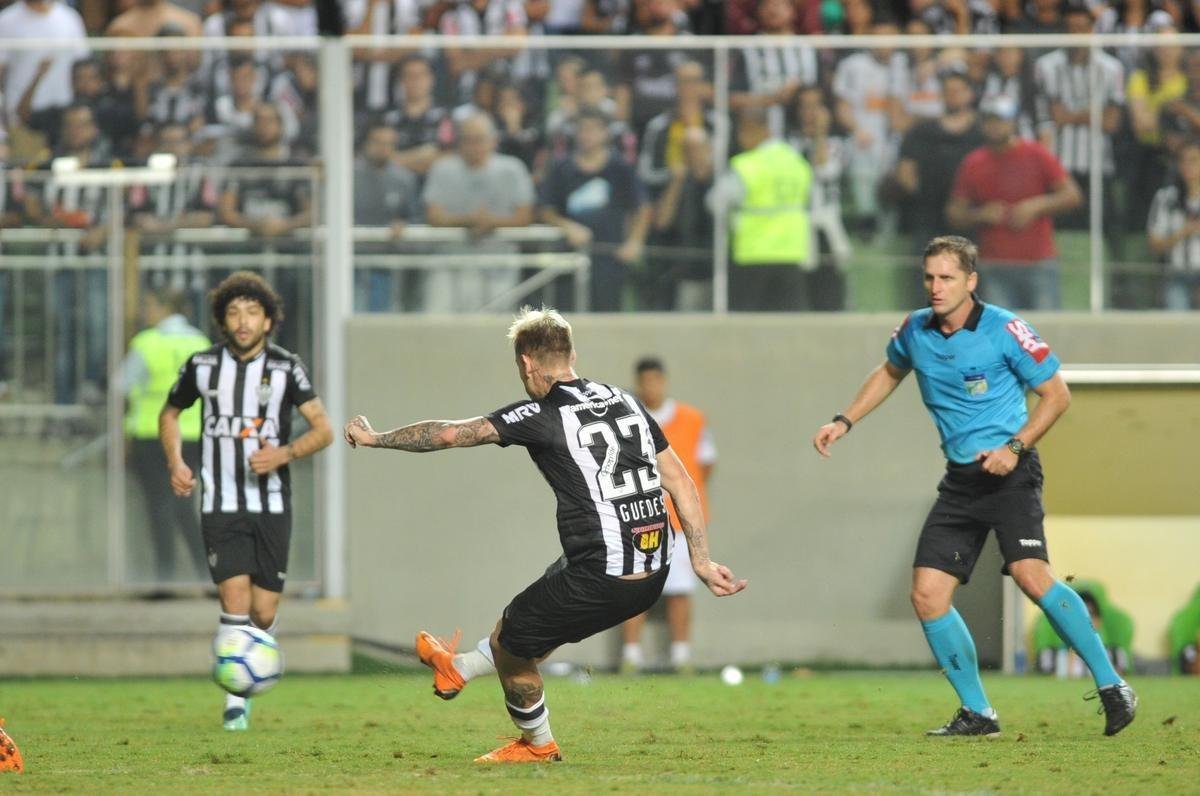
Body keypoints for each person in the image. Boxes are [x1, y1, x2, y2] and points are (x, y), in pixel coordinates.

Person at [342, 306, 746, 762]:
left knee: (512, 646)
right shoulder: (625, 400)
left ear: (526, 363)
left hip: (602, 574)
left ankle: (538, 744)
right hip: (654, 571)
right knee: (524, 630)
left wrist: (376, 438)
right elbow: (682, 483)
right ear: (572, 355)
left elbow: (451, 435)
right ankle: (457, 668)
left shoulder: (540, 411)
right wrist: (701, 560)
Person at [811, 235, 1137, 738]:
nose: (935, 287)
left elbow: (1057, 395)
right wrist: (844, 420)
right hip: (961, 482)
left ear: (971, 280)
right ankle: (979, 713)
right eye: (929, 277)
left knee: (1031, 576)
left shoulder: (1005, 329)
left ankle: (1113, 685)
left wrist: (1015, 448)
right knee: (927, 595)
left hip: (1011, 474)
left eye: (946, 277)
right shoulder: (915, 329)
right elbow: (890, 371)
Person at [160, 271, 333, 730]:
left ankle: (250, 668)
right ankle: (235, 701)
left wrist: (284, 453)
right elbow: (170, 413)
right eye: (234, 312)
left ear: (268, 321)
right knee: (235, 600)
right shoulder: (202, 365)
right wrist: (176, 461)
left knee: (264, 610)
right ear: (223, 320)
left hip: (273, 503)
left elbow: (324, 430)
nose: (243, 321)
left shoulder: (286, 367)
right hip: (220, 502)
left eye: (252, 312)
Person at [620, 357, 716, 674]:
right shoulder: (626, 418)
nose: (651, 387)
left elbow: (705, 463)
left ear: (664, 381)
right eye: (645, 381)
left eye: (655, 380)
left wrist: (681, 496)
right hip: (639, 520)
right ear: (638, 384)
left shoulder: (692, 419)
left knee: (681, 590)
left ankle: (681, 656)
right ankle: (630, 656)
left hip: (678, 522)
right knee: (634, 590)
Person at [946, 95, 1082, 311]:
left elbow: (1072, 195)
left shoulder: (1036, 154)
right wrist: (980, 214)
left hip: (1038, 261)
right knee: (1001, 329)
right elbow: (954, 212)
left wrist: (1035, 206)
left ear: (1013, 122)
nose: (995, 126)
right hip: (994, 265)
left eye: (1000, 120)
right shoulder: (974, 162)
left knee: (1043, 329)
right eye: (990, 120)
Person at [121, 288, 211, 583]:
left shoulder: (147, 342)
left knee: (159, 506)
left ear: (164, 307)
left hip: (151, 434)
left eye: (149, 304)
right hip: (192, 434)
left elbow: (121, 385)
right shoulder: (200, 341)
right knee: (184, 505)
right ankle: (205, 573)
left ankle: (165, 577)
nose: (144, 312)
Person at [540, 107, 649, 312]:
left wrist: (635, 240)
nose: (586, 135)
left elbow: (642, 206)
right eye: (581, 129)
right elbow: (545, 209)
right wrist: (567, 226)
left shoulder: (620, 167)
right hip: (569, 261)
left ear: (605, 133)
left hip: (610, 261)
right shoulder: (561, 168)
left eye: (592, 129)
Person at [711, 107, 813, 311]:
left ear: (755, 129)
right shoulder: (796, 161)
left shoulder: (747, 165)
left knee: (748, 322)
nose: (740, 139)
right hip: (791, 251)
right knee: (788, 321)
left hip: (753, 252)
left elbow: (716, 202)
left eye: (743, 132)